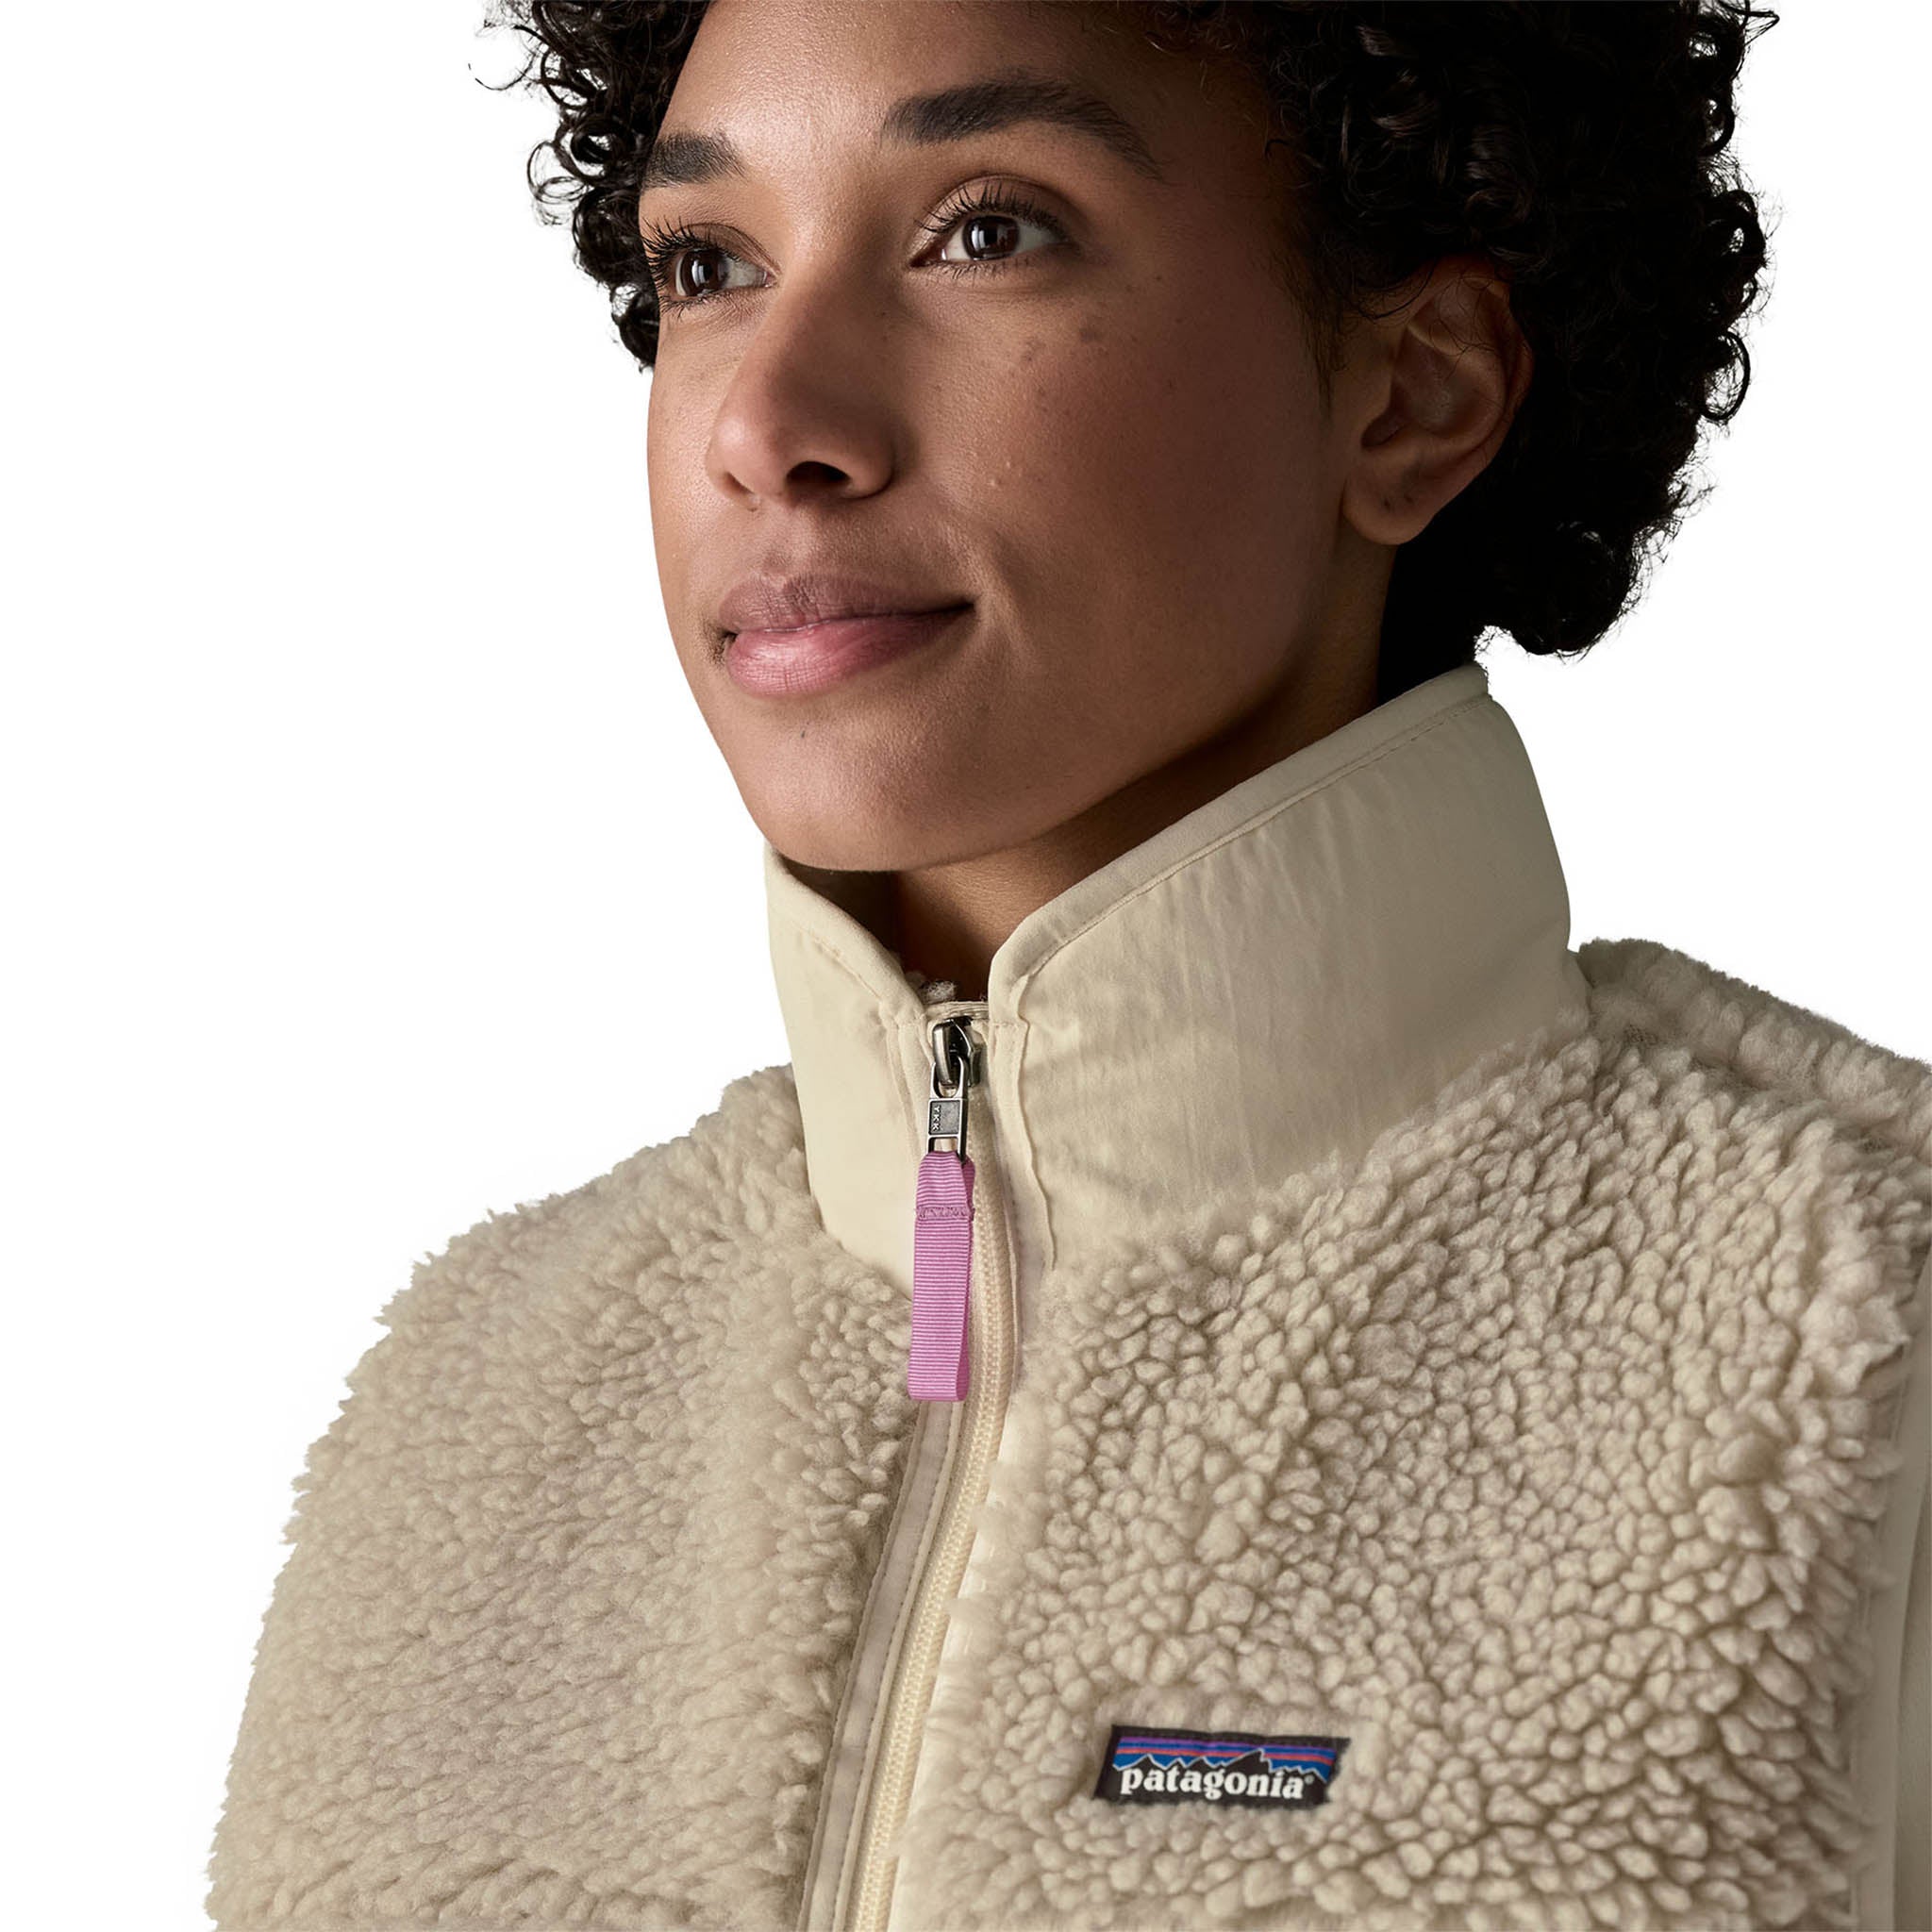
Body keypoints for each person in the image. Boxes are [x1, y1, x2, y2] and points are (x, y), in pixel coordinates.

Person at [206, 3, 1930, 1928]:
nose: (767, 425)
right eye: (709, 265)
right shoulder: (459, 1423)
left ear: (1414, 394)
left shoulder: (1864, 1338)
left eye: (986, 230)